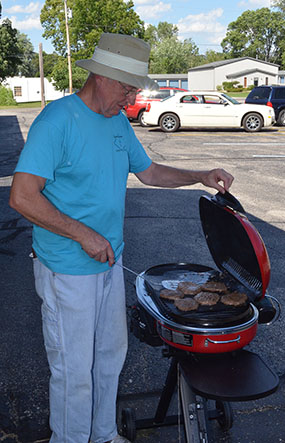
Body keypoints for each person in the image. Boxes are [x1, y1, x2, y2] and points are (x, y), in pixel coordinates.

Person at [9, 33, 234, 443]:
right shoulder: (57, 121)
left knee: (110, 357)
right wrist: (82, 233)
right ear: (101, 77)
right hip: (67, 268)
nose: (130, 97)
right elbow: (22, 196)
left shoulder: (116, 122)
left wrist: (199, 176)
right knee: (74, 368)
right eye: (127, 86)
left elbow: (149, 173)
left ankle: (104, 434)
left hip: (108, 262)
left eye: (134, 88)